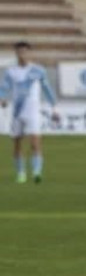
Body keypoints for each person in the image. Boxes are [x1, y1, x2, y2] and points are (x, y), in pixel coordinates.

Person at [0, 41, 60, 184]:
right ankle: (21, 173)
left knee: (35, 143)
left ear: (29, 53)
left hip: (33, 112)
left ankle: (36, 173)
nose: (22, 54)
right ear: (16, 54)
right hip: (17, 112)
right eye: (19, 52)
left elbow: (47, 89)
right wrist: (2, 99)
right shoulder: (11, 71)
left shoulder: (38, 70)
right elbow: (4, 88)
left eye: (24, 51)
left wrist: (55, 108)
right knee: (17, 144)